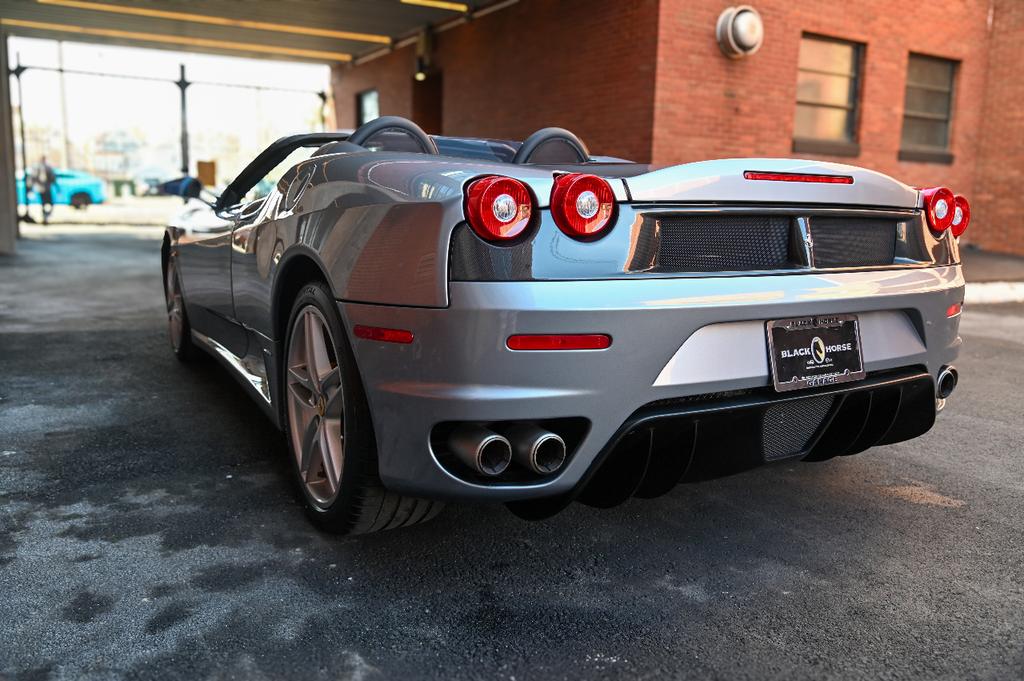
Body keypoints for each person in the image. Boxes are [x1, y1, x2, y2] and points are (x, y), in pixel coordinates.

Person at [31, 156, 57, 225]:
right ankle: (45, 216)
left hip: (40, 188)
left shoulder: (37, 167)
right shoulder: (47, 167)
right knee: (48, 203)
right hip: (46, 188)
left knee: (43, 203)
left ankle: (45, 216)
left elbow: (33, 178)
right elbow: (53, 177)